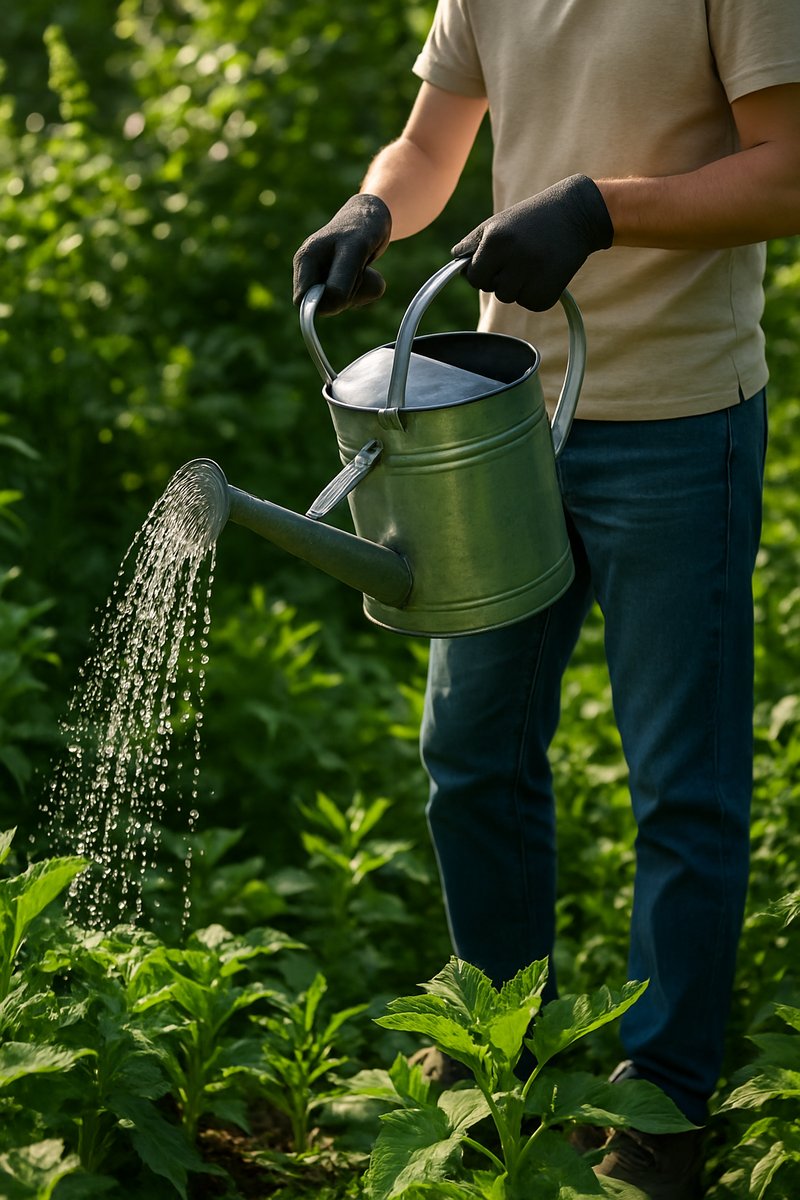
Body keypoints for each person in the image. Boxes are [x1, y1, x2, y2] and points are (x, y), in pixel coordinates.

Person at [292, 5, 800, 1197]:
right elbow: (430, 147)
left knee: (680, 783)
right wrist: (367, 210)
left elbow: (786, 173)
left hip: (680, 424)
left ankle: (662, 1109)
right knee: (468, 753)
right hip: (502, 419)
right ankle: (504, 1059)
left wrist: (596, 209)